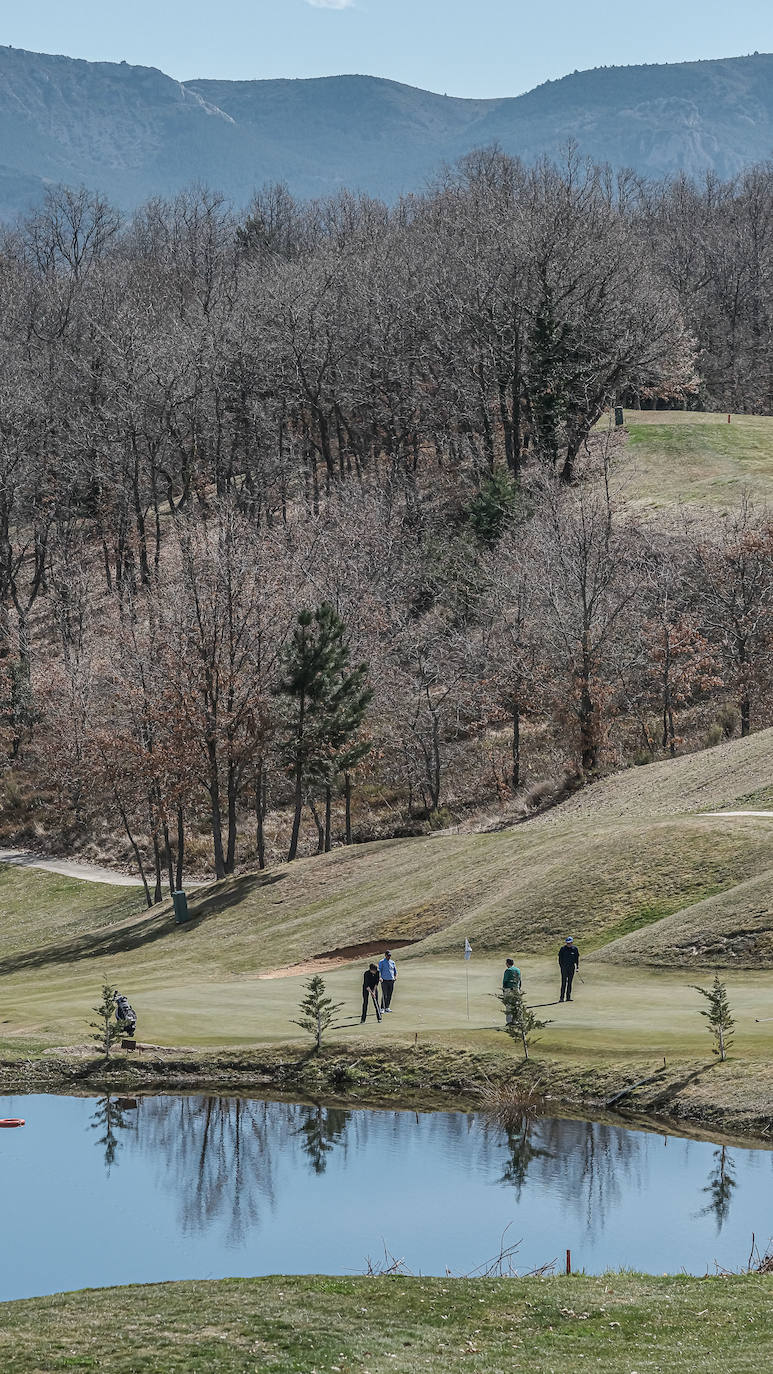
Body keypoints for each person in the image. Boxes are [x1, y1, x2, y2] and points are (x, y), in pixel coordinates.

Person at [558, 938, 579, 1002]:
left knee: (570, 983)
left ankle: (568, 997)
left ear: (572, 943)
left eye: (569, 943)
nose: (568, 944)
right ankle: (561, 998)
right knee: (564, 982)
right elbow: (560, 959)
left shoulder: (575, 949)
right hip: (564, 968)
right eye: (567, 943)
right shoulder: (563, 949)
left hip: (571, 967)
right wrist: (561, 966)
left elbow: (576, 959)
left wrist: (577, 967)